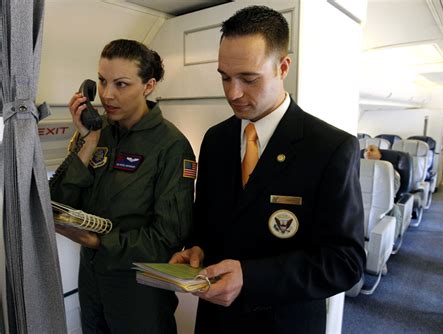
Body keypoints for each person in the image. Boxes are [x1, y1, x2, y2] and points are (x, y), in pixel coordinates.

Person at [170, 6, 365, 334]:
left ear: (283, 67)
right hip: (216, 322)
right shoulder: (216, 140)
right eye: (225, 77)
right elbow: (204, 221)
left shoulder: (330, 148)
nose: (233, 93)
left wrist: (251, 277)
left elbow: (345, 262)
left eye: (248, 78)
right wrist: (197, 249)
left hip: (284, 323)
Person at [50, 39, 195, 333]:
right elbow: (58, 201)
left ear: (149, 85)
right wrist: (88, 141)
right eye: (102, 81)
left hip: (138, 289)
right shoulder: (96, 132)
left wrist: (101, 241)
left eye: (121, 84)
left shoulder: (171, 146)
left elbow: (168, 237)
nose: (106, 95)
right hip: (92, 282)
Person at [364, 144, 403, 236]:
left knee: (394, 211)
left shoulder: (390, 171)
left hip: (380, 201)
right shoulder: (355, 167)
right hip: (359, 200)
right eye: (365, 150)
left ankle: (390, 243)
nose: (368, 152)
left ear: (379, 155)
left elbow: (392, 193)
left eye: (372, 150)